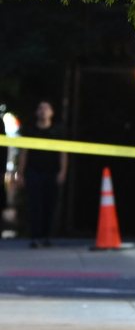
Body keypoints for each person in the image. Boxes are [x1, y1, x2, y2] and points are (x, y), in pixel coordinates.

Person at [15, 101, 67, 248]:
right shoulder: (30, 131)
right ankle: (35, 237)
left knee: (50, 205)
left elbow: (63, 152)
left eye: (46, 108)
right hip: (34, 172)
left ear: (51, 113)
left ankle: (47, 236)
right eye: (40, 108)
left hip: (52, 172)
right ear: (37, 112)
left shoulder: (57, 131)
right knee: (34, 205)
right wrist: (21, 173)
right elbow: (24, 153)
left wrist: (62, 171)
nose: (43, 111)